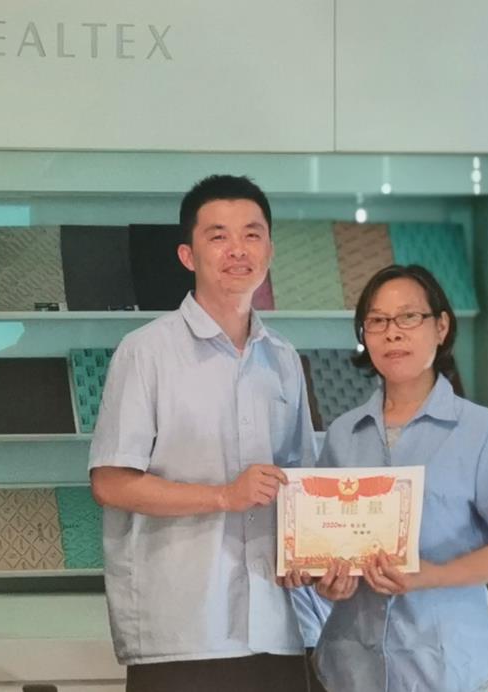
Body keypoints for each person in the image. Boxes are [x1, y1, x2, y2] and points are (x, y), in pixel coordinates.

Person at [89, 174, 322, 692]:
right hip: (184, 629)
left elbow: (301, 485)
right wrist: (223, 496)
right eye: (218, 236)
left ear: (270, 250)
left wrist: (310, 554)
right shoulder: (146, 352)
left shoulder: (283, 358)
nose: (238, 249)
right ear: (187, 255)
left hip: (278, 625)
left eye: (252, 234)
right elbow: (110, 483)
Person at [286, 264, 488, 692]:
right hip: (352, 671)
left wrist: (431, 575)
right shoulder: (343, 434)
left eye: (408, 317)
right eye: (377, 321)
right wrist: (327, 581)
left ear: (441, 327)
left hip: (448, 671)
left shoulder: (483, 431)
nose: (392, 333)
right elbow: (329, 547)